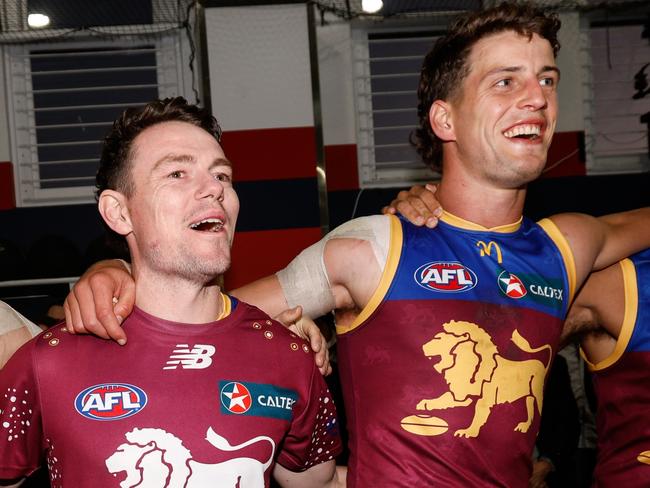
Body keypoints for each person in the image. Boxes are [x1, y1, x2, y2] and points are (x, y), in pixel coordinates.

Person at [58, 3, 650, 486]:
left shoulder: (570, 244)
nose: (538, 97)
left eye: (547, 79)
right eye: (505, 81)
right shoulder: (371, 247)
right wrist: (117, 265)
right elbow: (206, 324)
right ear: (444, 120)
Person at [0, 97, 344, 487]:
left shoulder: (289, 355)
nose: (213, 189)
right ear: (119, 212)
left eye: (222, 176)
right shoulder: (46, 363)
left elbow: (320, 483)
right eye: (177, 173)